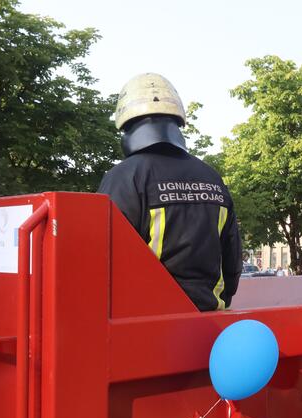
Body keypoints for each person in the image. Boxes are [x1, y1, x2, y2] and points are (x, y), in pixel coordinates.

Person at [98, 73, 242, 311]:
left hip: (144, 326)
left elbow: (104, 260)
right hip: (208, 324)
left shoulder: (124, 177)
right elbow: (232, 261)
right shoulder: (212, 177)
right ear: (177, 124)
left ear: (127, 126)